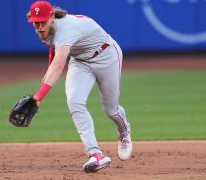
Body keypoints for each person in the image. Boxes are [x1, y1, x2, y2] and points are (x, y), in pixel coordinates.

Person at [27, 1, 132, 173]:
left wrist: (38, 97)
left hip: (106, 55)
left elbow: (59, 65)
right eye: (36, 23)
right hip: (80, 62)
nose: (39, 27)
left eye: (42, 22)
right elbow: (53, 57)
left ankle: (124, 132)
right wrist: (39, 92)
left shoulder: (66, 28)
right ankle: (96, 154)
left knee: (111, 110)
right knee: (74, 101)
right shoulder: (46, 32)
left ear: (52, 18)